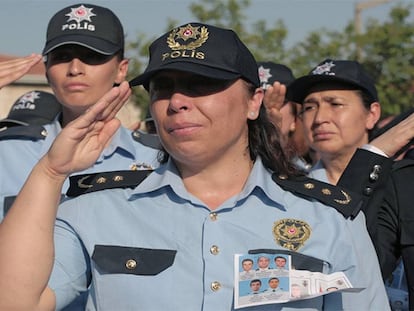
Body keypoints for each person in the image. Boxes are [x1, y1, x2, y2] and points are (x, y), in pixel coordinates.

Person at [0, 22, 389, 310]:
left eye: (202, 84)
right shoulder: (96, 208)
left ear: (253, 103)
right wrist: (50, 174)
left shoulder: (328, 217)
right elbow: (16, 302)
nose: (178, 101)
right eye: (163, 88)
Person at [0, 3, 159, 220]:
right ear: (46, 70)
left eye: (92, 56)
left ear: (121, 69)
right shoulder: (8, 151)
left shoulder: (158, 157)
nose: (75, 69)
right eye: (62, 57)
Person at [257, 61, 313, 171]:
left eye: (277, 100)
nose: (263, 110)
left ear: (295, 117)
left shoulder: (311, 176)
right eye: (256, 100)